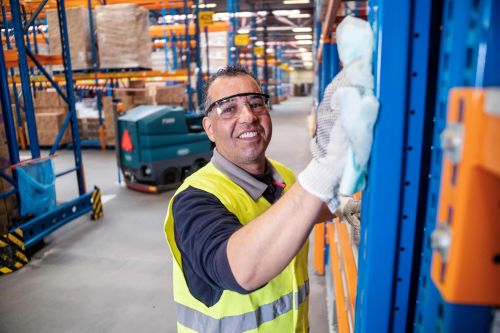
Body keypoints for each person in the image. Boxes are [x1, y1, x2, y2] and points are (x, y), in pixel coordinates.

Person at [164, 65, 351, 332]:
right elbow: (241, 270)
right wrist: (323, 169)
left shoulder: (282, 176)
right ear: (209, 129)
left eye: (255, 103)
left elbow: (288, 212)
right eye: (228, 109)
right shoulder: (194, 199)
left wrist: (341, 206)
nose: (248, 116)